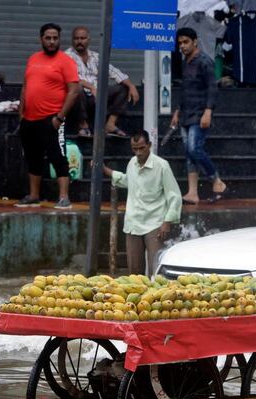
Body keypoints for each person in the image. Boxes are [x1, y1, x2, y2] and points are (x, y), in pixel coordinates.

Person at [16, 23, 80, 209]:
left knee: (57, 156)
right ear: (41, 39)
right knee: (32, 157)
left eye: (55, 38)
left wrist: (59, 118)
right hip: (29, 119)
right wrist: (21, 113)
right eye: (48, 38)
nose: (52, 42)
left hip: (52, 118)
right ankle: (34, 195)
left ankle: (63, 197)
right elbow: (26, 86)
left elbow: (74, 91)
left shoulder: (65, 61)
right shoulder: (33, 58)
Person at [102, 130, 182, 276]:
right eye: (134, 149)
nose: (138, 153)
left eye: (141, 148)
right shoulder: (132, 163)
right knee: (134, 272)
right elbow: (128, 181)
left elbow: (174, 195)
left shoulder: (162, 166)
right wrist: (106, 170)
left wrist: (167, 221)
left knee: (155, 271)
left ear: (149, 145)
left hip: (155, 224)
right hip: (133, 223)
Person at [171, 27, 227, 205]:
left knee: (195, 149)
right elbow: (185, 89)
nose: (182, 46)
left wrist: (208, 111)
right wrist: (178, 111)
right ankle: (192, 193)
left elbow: (213, 87)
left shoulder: (205, 62)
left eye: (186, 42)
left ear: (195, 41)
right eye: (180, 43)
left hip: (200, 114)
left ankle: (217, 181)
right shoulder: (185, 62)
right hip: (186, 113)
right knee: (189, 153)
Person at [65, 26, 139, 138]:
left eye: (83, 38)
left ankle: (110, 124)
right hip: (80, 99)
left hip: (98, 97)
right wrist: (91, 87)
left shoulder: (95, 57)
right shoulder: (66, 56)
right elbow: (70, 78)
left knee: (123, 88)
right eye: (76, 38)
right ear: (72, 40)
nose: (79, 41)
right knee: (76, 87)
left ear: (89, 39)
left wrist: (131, 86)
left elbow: (115, 72)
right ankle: (83, 126)